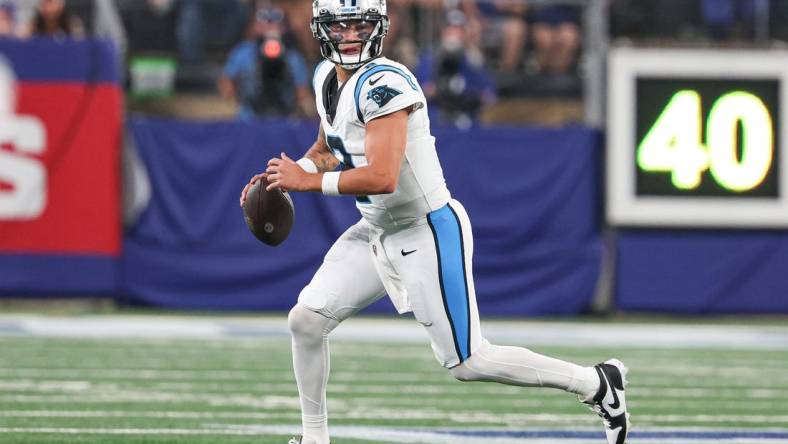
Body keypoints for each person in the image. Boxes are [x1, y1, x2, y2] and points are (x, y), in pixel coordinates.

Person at [239, 1, 631, 444]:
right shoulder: (326, 76)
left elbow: (383, 176)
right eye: (340, 25)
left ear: (379, 27)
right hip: (376, 229)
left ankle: (596, 383)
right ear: (321, 29)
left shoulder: (385, 84)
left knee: (468, 361)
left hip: (425, 229)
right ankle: (314, 439)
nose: (350, 34)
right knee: (306, 321)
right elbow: (329, 145)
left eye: (360, 23)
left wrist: (309, 184)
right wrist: (293, 175)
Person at [218, 5, 311, 119]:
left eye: (275, 23)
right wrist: (235, 102)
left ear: (283, 28)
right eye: (265, 23)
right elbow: (226, 82)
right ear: (255, 26)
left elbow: (302, 91)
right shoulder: (243, 52)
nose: (270, 28)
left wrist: (300, 110)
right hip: (249, 117)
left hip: (284, 117)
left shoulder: (293, 57)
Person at [415, 9, 496, 128]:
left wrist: (470, 92)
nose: (454, 33)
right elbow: (419, 91)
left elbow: (489, 95)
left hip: (467, 114)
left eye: (458, 29)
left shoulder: (473, 58)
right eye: (450, 28)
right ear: (443, 31)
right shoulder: (430, 57)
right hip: (435, 115)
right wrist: (434, 89)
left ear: (465, 33)